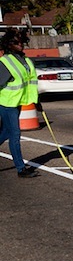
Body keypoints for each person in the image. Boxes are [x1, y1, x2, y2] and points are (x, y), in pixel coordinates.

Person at [0, 28, 41, 178]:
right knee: (15, 134)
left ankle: (21, 167)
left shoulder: (25, 60)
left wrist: (36, 101)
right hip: (7, 103)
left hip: (17, 102)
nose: (20, 45)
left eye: (22, 41)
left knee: (5, 132)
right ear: (8, 44)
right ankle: (20, 168)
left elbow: (30, 82)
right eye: (16, 42)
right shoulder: (5, 62)